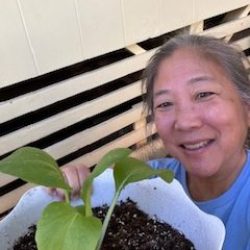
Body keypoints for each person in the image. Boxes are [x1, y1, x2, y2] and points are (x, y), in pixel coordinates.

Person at [50, 34, 250, 249]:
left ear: (246, 107)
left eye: (203, 94)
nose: (184, 122)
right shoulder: (148, 180)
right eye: (165, 104)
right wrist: (73, 189)